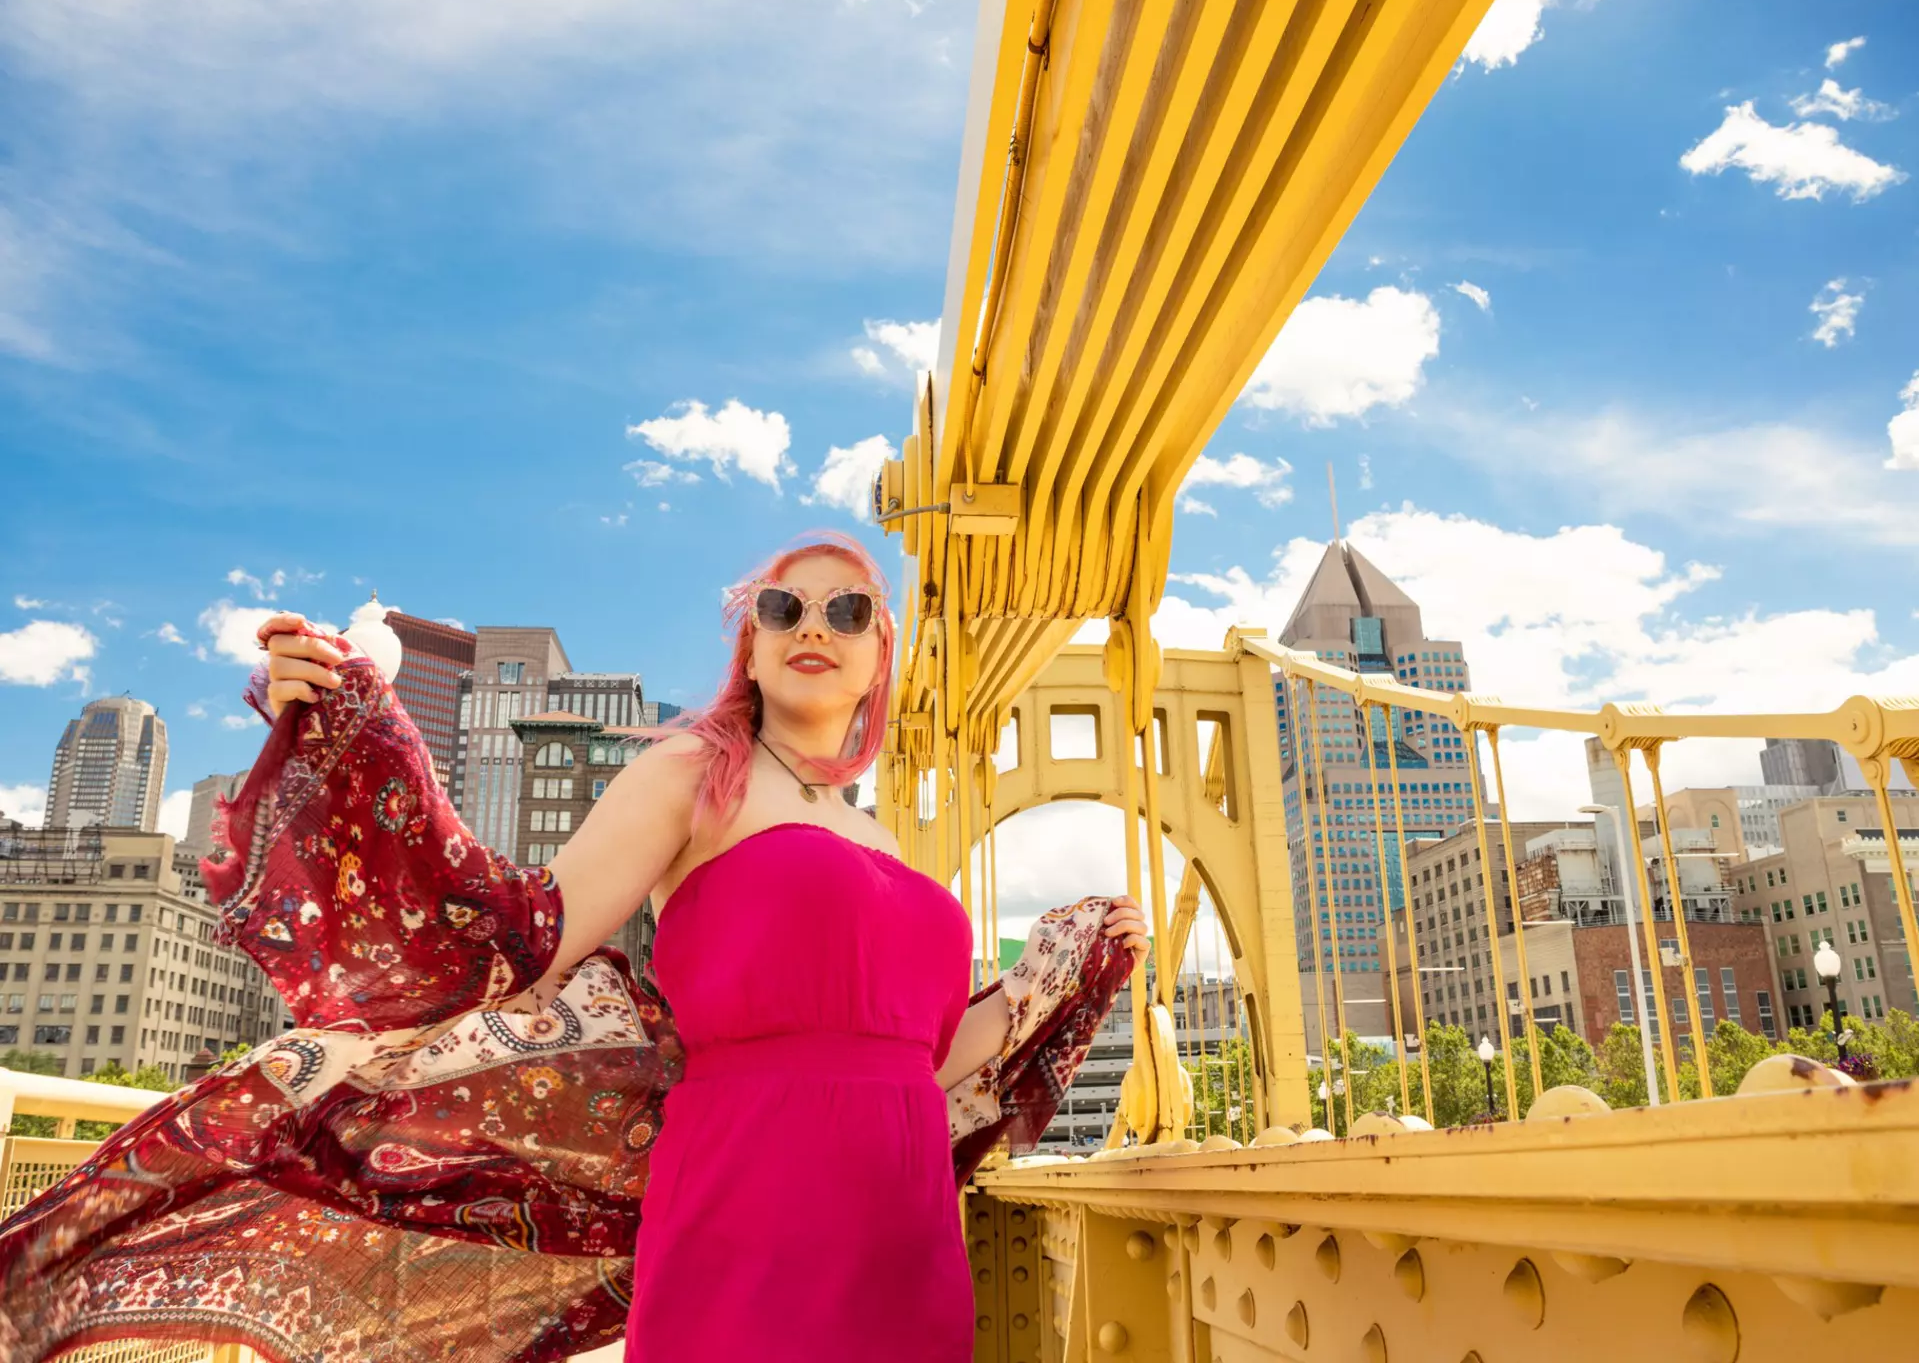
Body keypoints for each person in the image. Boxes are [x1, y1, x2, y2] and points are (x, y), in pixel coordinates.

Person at [0, 532, 1147, 1363]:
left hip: (899, 1224)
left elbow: (936, 1057)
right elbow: (520, 939)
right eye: (780, 610)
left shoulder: (888, 839)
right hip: (747, 1203)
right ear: (746, 649)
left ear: (878, 655)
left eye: (846, 612)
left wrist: (1075, 954)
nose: (812, 629)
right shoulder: (696, 773)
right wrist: (354, 725)